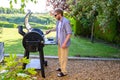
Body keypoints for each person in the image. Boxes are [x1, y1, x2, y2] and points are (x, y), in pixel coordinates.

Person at [46, 8, 72, 77]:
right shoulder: (58, 21)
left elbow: (69, 33)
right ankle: (61, 67)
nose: (54, 16)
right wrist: (50, 30)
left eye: (55, 15)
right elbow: (57, 28)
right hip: (59, 42)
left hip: (64, 43)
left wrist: (64, 43)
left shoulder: (66, 21)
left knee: (64, 57)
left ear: (60, 14)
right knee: (60, 56)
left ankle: (64, 72)